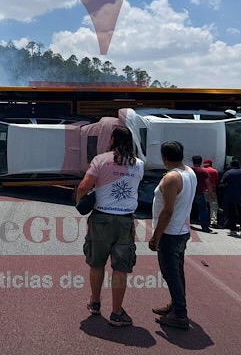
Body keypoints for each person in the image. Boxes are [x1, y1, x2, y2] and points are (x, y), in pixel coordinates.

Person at [76, 127, 144, 327]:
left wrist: (81, 202)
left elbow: (83, 187)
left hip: (101, 218)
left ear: (112, 139)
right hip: (125, 220)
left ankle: (95, 303)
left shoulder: (100, 160)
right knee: (120, 267)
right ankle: (116, 313)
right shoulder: (139, 164)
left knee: (97, 263)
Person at [149, 141, 197, 330]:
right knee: (177, 271)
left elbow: (167, 211)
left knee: (171, 273)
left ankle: (179, 314)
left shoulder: (171, 178)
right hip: (182, 230)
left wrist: (155, 237)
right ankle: (176, 305)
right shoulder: (189, 172)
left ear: (164, 158)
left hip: (170, 233)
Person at [220, 159, 241, 237]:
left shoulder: (228, 173)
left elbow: (222, 183)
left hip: (230, 196)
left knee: (231, 214)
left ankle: (233, 230)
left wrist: (227, 186)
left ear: (231, 165)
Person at [191, 155, 214, 233]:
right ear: (201, 162)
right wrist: (211, 192)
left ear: (193, 161)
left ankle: (183, 224)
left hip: (189, 192)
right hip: (199, 192)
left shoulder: (189, 170)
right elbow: (208, 183)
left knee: (186, 208)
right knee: (203, 209)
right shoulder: (203, 171)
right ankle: (205, 226)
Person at [203, 158, 220, 227]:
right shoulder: (215, 171)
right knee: (213, 207)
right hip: (212, 191)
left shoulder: (202, 170)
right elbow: (216, 181)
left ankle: (202, 219)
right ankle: (213, 221)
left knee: (202, 207)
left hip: (202, 191)